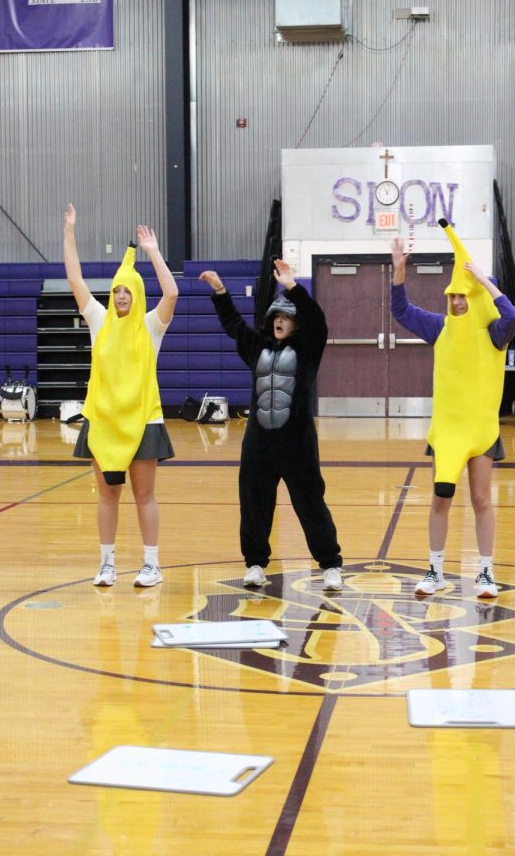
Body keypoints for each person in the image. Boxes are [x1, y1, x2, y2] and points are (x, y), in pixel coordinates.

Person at [391, 220, 515, 599]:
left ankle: (484, 573)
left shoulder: (494, 333)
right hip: (447, 432)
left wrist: (483, 279)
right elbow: (402, 311)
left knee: (481, 499)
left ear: (475, 296)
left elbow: (512, 317)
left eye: (464, 296)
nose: (458, 302)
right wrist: (399, 271)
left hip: (480, 432)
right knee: (440, 498)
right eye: (453, 296)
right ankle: (435, 571)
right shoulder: (439, 327)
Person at [199, 260, 344, 591]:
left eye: (287, 317)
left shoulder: (308, 349)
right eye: (276, 317)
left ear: (295, 324)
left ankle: (331, 564)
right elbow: (233, 324)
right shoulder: (257, 348)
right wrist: (220, 291)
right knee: (254, 504)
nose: (280, 321)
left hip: (298, 444)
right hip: (259, 443)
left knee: (310, 503)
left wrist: (293, 287)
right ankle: (254, 563)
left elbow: (318, 322)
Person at [63, 203, 178, 588]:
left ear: (138, 294)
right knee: (107, 496)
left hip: (144, 420)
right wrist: (69, 232)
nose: (121, 295)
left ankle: (151, 564)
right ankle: (107, 563)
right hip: (104, 423)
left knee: (144, 496)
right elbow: (74, 277)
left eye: (128, 290)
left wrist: (153, 253)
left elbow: (173, 293)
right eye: (117, 290)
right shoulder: (97, 319)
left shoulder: (150, 327)